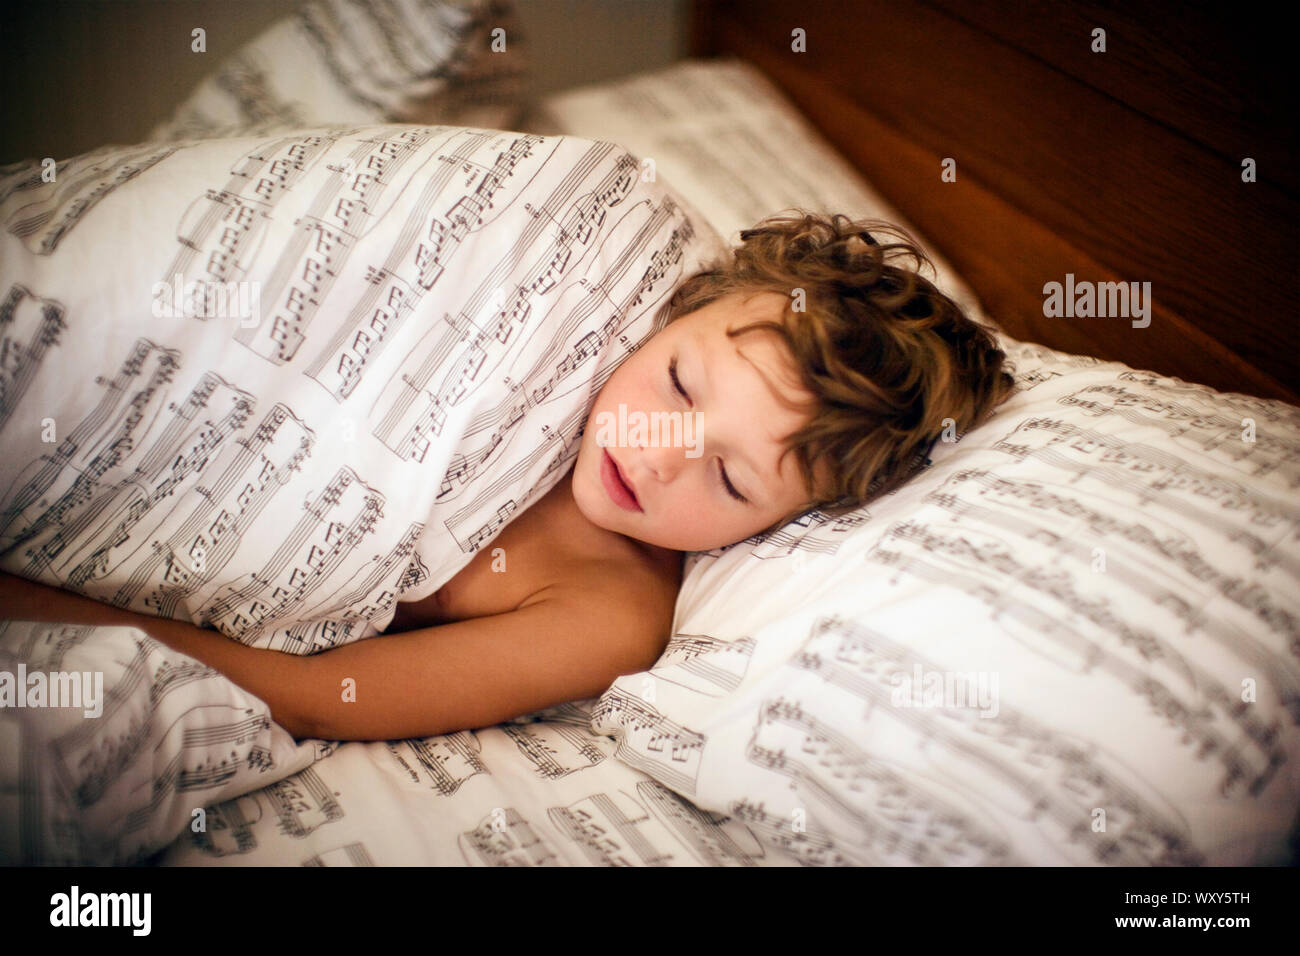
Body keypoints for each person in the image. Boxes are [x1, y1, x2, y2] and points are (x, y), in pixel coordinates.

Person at [0, 212, 1014, 742]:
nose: (657, 450)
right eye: (675, 380)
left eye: (731, 479)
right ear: (675, 308)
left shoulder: (604, 610)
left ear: (785, 525)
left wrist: (34, 610)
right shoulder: (552, 328)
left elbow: (320, 697)